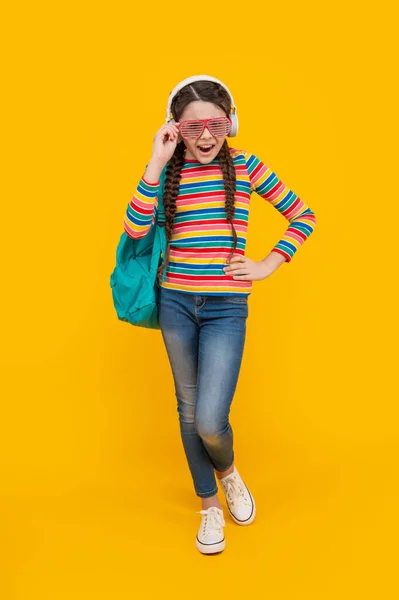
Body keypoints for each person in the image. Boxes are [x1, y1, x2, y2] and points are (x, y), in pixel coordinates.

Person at [123, 75, 317, 554]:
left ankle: (227, 471)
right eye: (192, 128)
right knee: (188, 412)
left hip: (226, 308)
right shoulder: (168, 170)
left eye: (216, 125)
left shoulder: (248, 167)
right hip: (175, 305)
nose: (205, 136)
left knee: (210, 419)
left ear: (231, 124)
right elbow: (134, 227)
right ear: (175, 128)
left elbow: (304, 215)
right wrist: (156, 160)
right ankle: (210, 503)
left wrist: (267, 264)